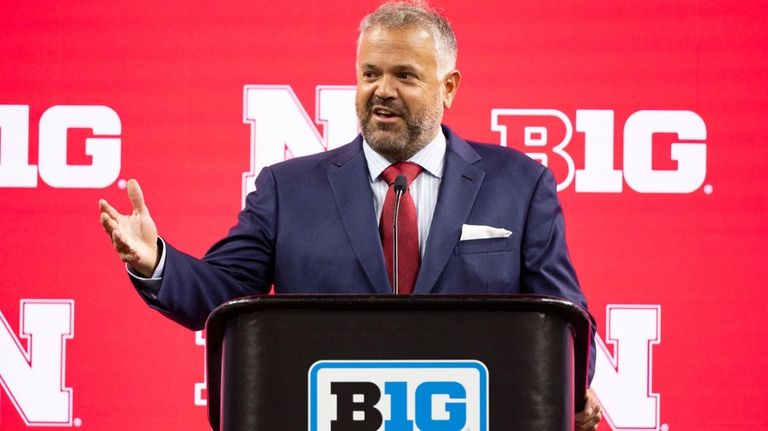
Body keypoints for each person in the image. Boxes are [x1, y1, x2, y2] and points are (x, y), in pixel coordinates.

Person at [99, 1, 602, 429]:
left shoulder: (520, 183)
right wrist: (155, 261)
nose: (382, 90)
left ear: (448, 88)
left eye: (405, 75)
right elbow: (223, 293)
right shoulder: (287, 189)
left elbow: (566, 319)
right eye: (370, 74)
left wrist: (571, 385)